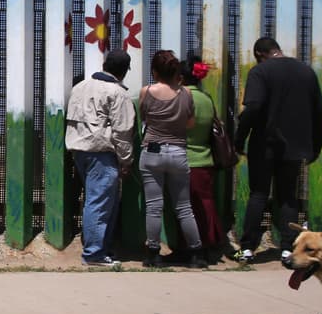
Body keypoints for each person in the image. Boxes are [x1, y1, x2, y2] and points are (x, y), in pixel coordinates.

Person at [233, 37, 322, 262]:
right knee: (287, 196)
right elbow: (319, 114)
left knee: (258, 193)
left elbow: (253, 107)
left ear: (259, 53)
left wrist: (239, 138)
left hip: (264, 144)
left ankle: (247, 248)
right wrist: (316, 146)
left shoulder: (260, 72)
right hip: (296, 148)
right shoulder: (306, 72)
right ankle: (287, 247)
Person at [136, 50, 207, 268]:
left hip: (152, 151)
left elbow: (144, 117)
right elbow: (190, 123)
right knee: (184, 207)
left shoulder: (146, 92)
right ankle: (196, 253)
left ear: (154, 72)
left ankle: (154, 253)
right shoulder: (186, 94)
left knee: (154, 206)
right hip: (177, 151)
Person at [66, 50, 136, 268]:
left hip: (79, 150)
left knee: (98, 200)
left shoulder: (80, 87)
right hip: (103, 153)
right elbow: (122, 130)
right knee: (100, 202)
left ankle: (101, 248)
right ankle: (94, 253)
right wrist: (126, 160)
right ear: (125, 72)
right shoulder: (118, 93)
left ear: (105, 64)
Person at [176, 54, 225, 261]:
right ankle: (208, 246)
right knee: (204, 204)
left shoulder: (182, 98)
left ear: (180, 77)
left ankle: (190, 249)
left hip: (185, 159)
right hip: (205, 160)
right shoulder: (206, 99)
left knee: (186, 208)